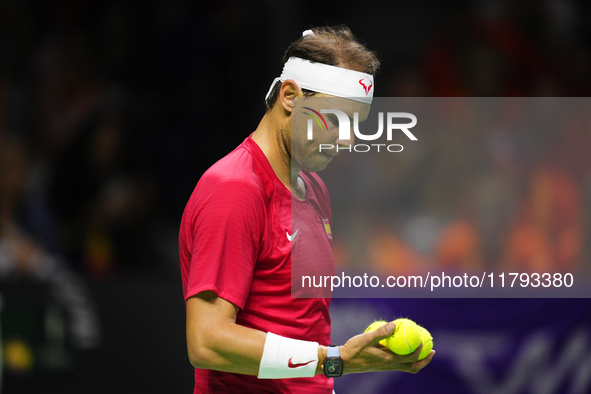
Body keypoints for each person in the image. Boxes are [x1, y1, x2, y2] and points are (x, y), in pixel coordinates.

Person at [179, 26, 435, 394]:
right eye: (334, 120)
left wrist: (333, 363)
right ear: (289, 96)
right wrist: (335, 359)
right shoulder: (235, 190)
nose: (348, 139)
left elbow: (297, 328)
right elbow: (206, 342)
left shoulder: (313, 187)